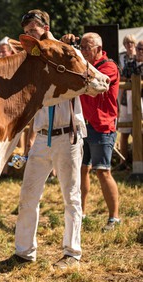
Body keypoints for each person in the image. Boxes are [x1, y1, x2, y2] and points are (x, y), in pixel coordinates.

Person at [13, 9, 85, 269]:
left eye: (36, 28)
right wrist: (30, 138)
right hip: (43, 136)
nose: (32, 32)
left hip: (68, 133)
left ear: (46, 28)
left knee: (71, 196)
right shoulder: (29, 59)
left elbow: (86, 74)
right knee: (28, 195)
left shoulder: (67, 50)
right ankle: (24, 252)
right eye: (28, 29)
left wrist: (70, 45)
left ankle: (72, 252)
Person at [63, 32, 121, 231]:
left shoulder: (109, 67)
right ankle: (82, 213)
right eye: (83, 47)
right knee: (82, 170)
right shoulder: (87, 64)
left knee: (103, 172)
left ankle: (114, 218)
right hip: (84, 126)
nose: (84, 51)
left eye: (87, 48)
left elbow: (88, 82)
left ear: (98, 49)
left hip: (102, 126)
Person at [117, 35, 140, 170]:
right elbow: (122, 78)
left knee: (139, 131)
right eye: (127, 42)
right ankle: (123, 163)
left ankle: (138, 161)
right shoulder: (122, 59)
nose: (129, 45)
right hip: (126, 100)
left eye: (131, 42)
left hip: (140, 101)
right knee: (124, 131)